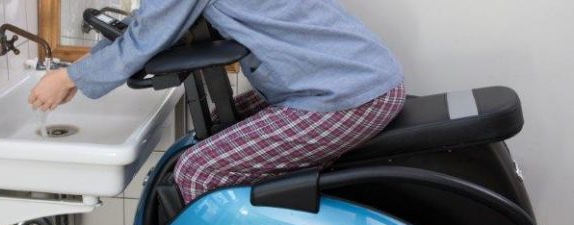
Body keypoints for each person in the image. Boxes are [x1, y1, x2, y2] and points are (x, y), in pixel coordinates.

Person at [28, 0, 406, 204]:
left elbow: (148, 35)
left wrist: (69, 77)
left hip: (349, 94)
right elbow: (151, 21)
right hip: (344, 82)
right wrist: (80, 71)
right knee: (212, 133)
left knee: (198, 169)